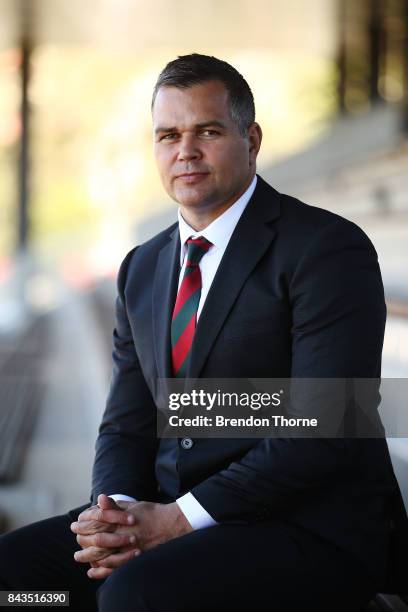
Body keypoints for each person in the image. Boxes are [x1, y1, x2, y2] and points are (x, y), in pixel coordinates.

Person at [0, 53, 406, 612]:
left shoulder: (325, 249)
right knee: (17, 584)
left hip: (302, 527)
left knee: (131, 597)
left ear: (252, 138)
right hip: (168, 512)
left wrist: (175, 521)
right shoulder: (142, 267)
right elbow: (127, 420)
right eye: (168, 135)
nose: (185, 151)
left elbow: (323, 428)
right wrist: (114, 512)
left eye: (207, 131)